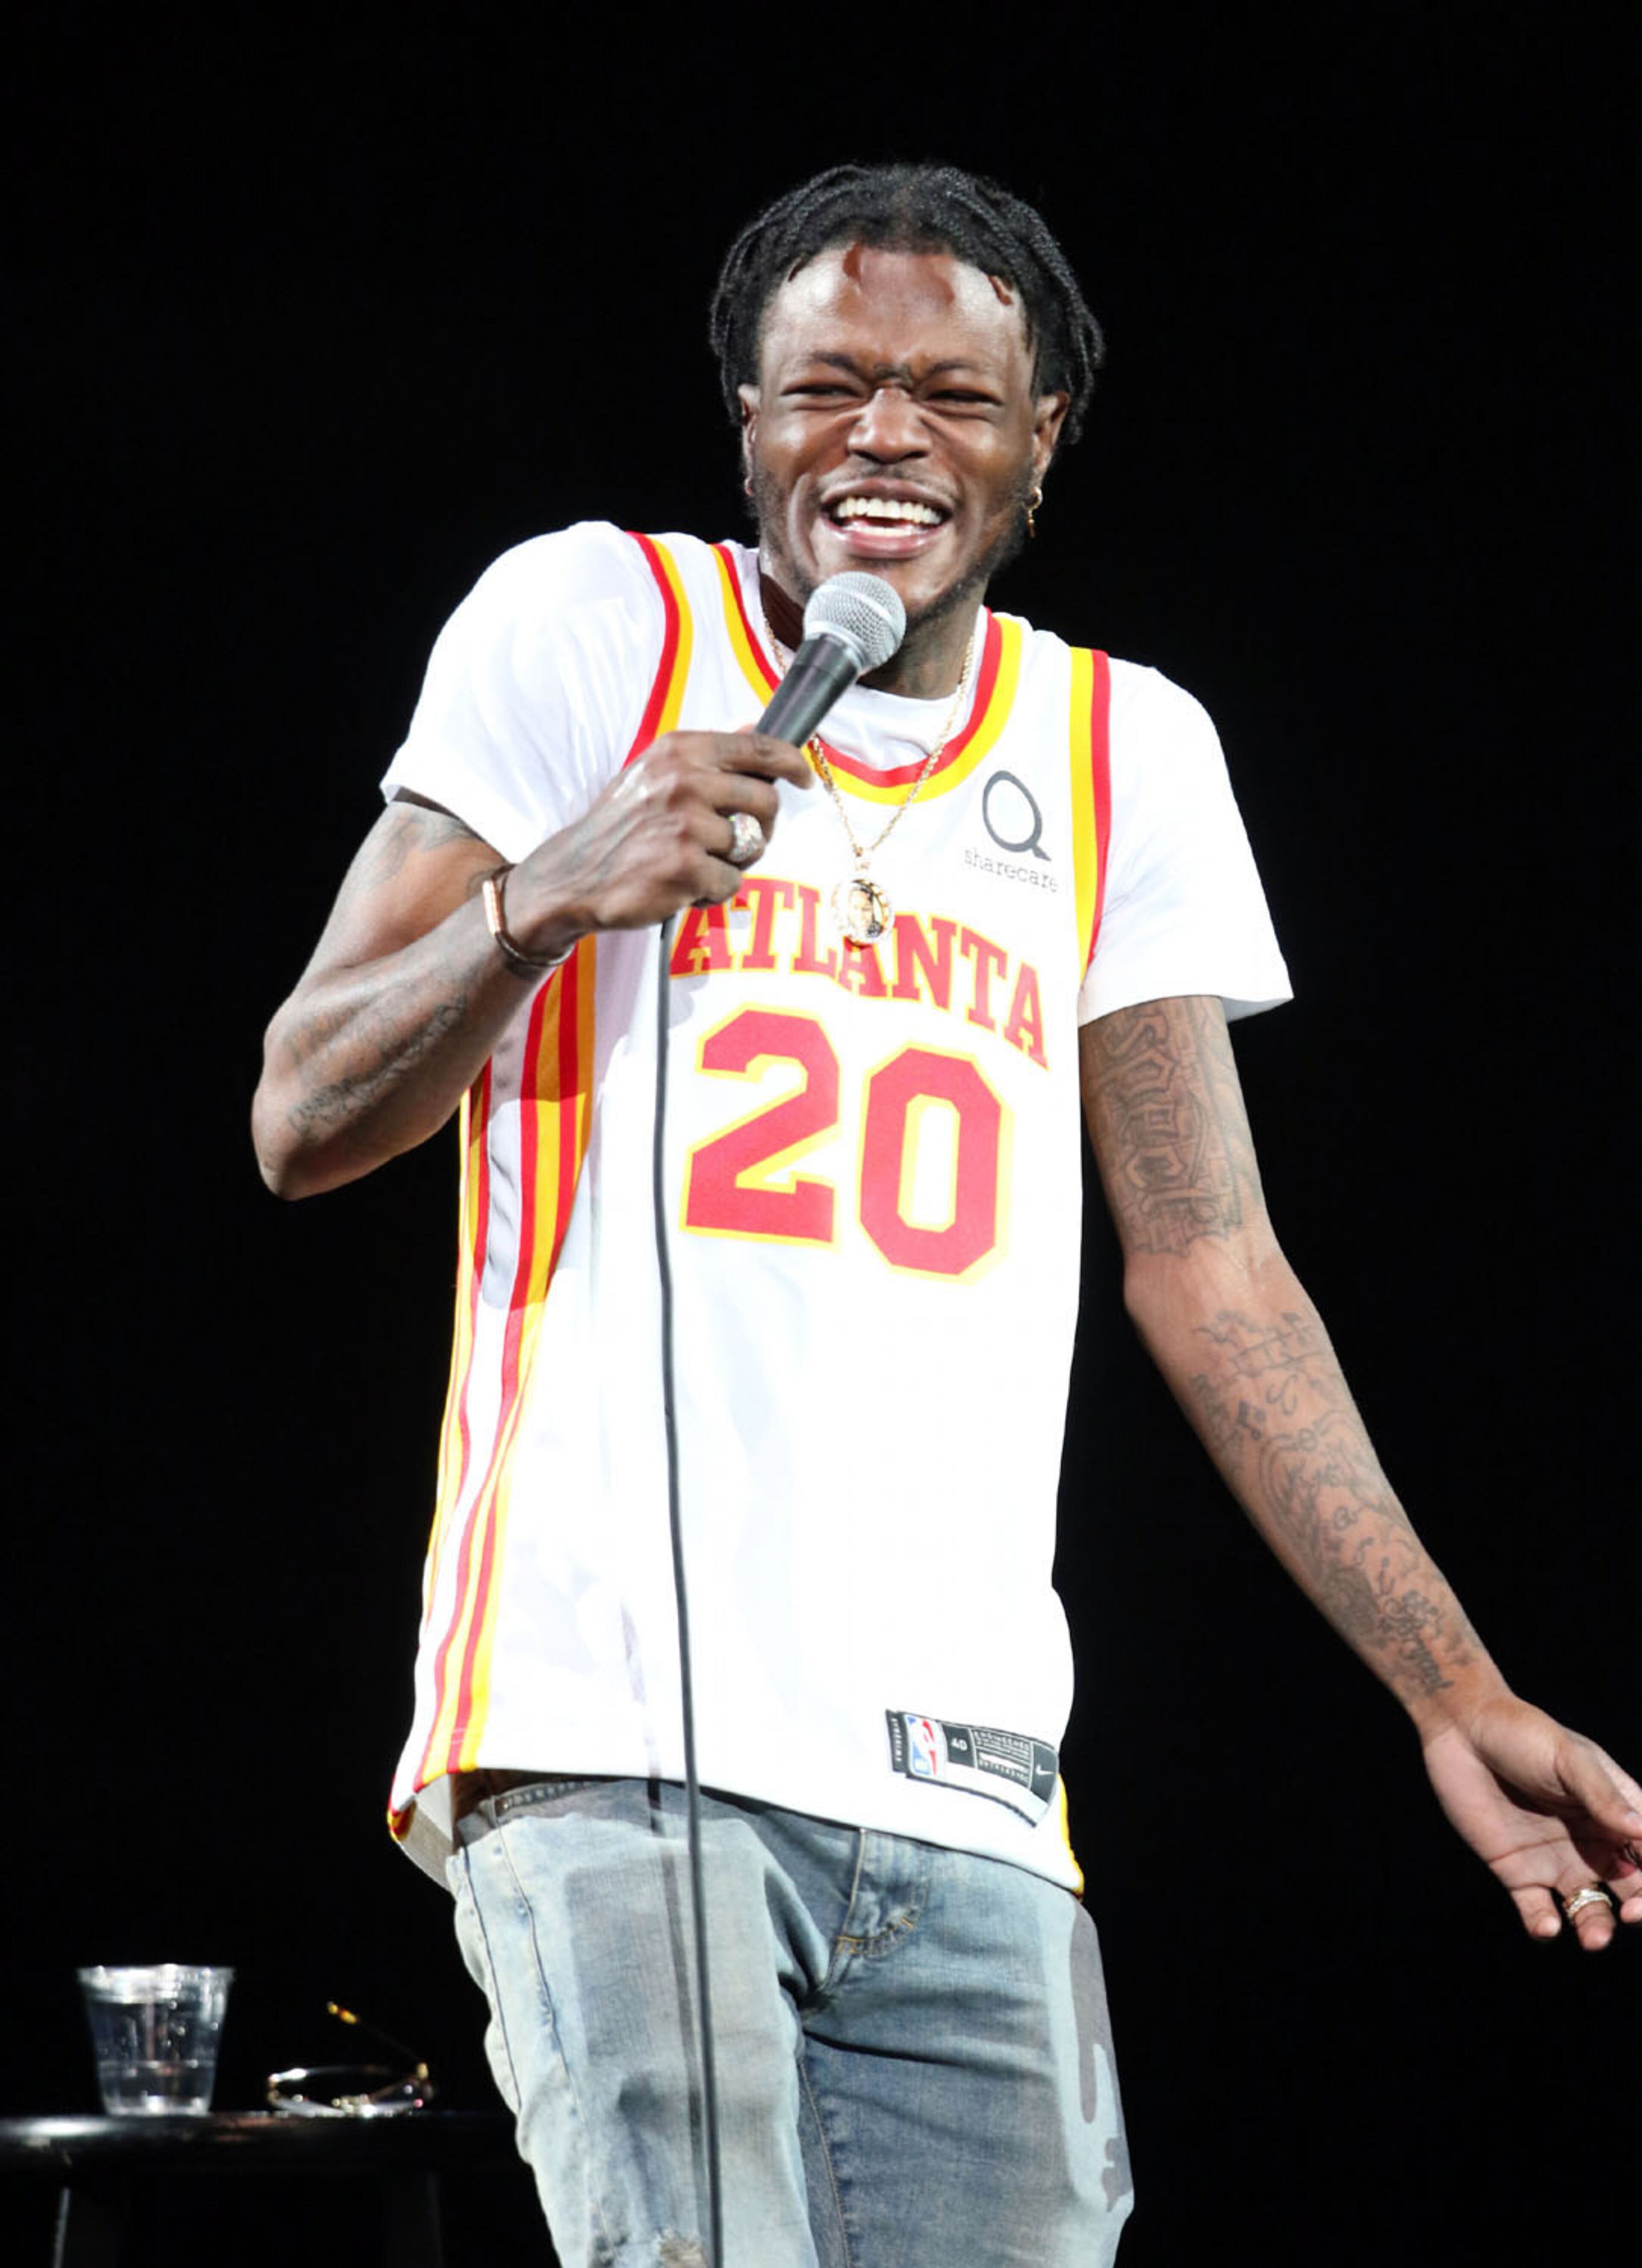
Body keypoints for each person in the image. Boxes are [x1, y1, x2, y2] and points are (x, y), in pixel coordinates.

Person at [252, 163, 1641, 2268]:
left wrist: (1452, 1687)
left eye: (951, 396)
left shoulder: (1122, 750)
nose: (884, 437)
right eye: (828, 386)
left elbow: (1215, 1266)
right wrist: (545, 896)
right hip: (614, 1738)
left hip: (977, 1792)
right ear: (749, 417)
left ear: (1041, 437)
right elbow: (302, 1112)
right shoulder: (596, 629)